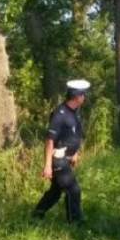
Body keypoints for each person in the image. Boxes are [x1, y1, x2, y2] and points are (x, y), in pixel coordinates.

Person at [31, 79, 90, 224]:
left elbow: (74, 134)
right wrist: (47, 166)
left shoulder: (75, 112)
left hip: (66, 157)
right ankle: (75, 222)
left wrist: (74, 153)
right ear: (77, 96)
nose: (84, 98)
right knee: (73, 190)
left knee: (55, 192)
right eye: (83, 95)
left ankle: (36, 215)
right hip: (57, 158)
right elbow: (50, 141)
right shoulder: (59, 114)